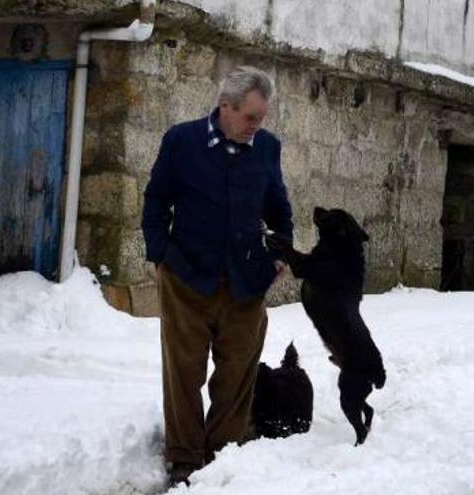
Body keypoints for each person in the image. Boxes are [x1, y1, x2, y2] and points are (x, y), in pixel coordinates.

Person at [141, 65, 293, 486]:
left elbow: (279, 210)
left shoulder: (267, 148)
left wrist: (279, 253)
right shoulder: (181, 142)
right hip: (186, 276)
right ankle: (185, 456)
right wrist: (161, 256)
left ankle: (223, 454)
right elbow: (155, 202)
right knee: (184, 370)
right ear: (225, 107)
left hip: (246, 281)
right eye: (249, 118)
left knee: (237, 372)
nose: (255, 127)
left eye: (261, 119)